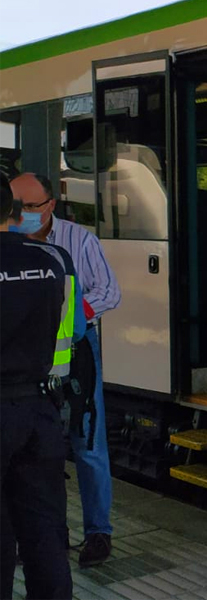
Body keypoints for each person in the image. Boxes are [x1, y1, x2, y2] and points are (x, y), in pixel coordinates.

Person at [11, 172, 120, 567]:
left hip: (75, 351)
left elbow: (109, 291)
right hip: (26, 357)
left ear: (51, 205)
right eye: (16, 206)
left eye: (31, 207)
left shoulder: (79, 240)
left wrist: (68, 317)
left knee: (86, 441)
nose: (22, 215)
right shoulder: (10, 241)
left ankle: (98, 533)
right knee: (37, 447)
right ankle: (46, 535)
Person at [1, 173, 85, 599]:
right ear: (11, 213)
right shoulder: (55, 260)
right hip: (41, 411)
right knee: (45, 533)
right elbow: (73, 331)